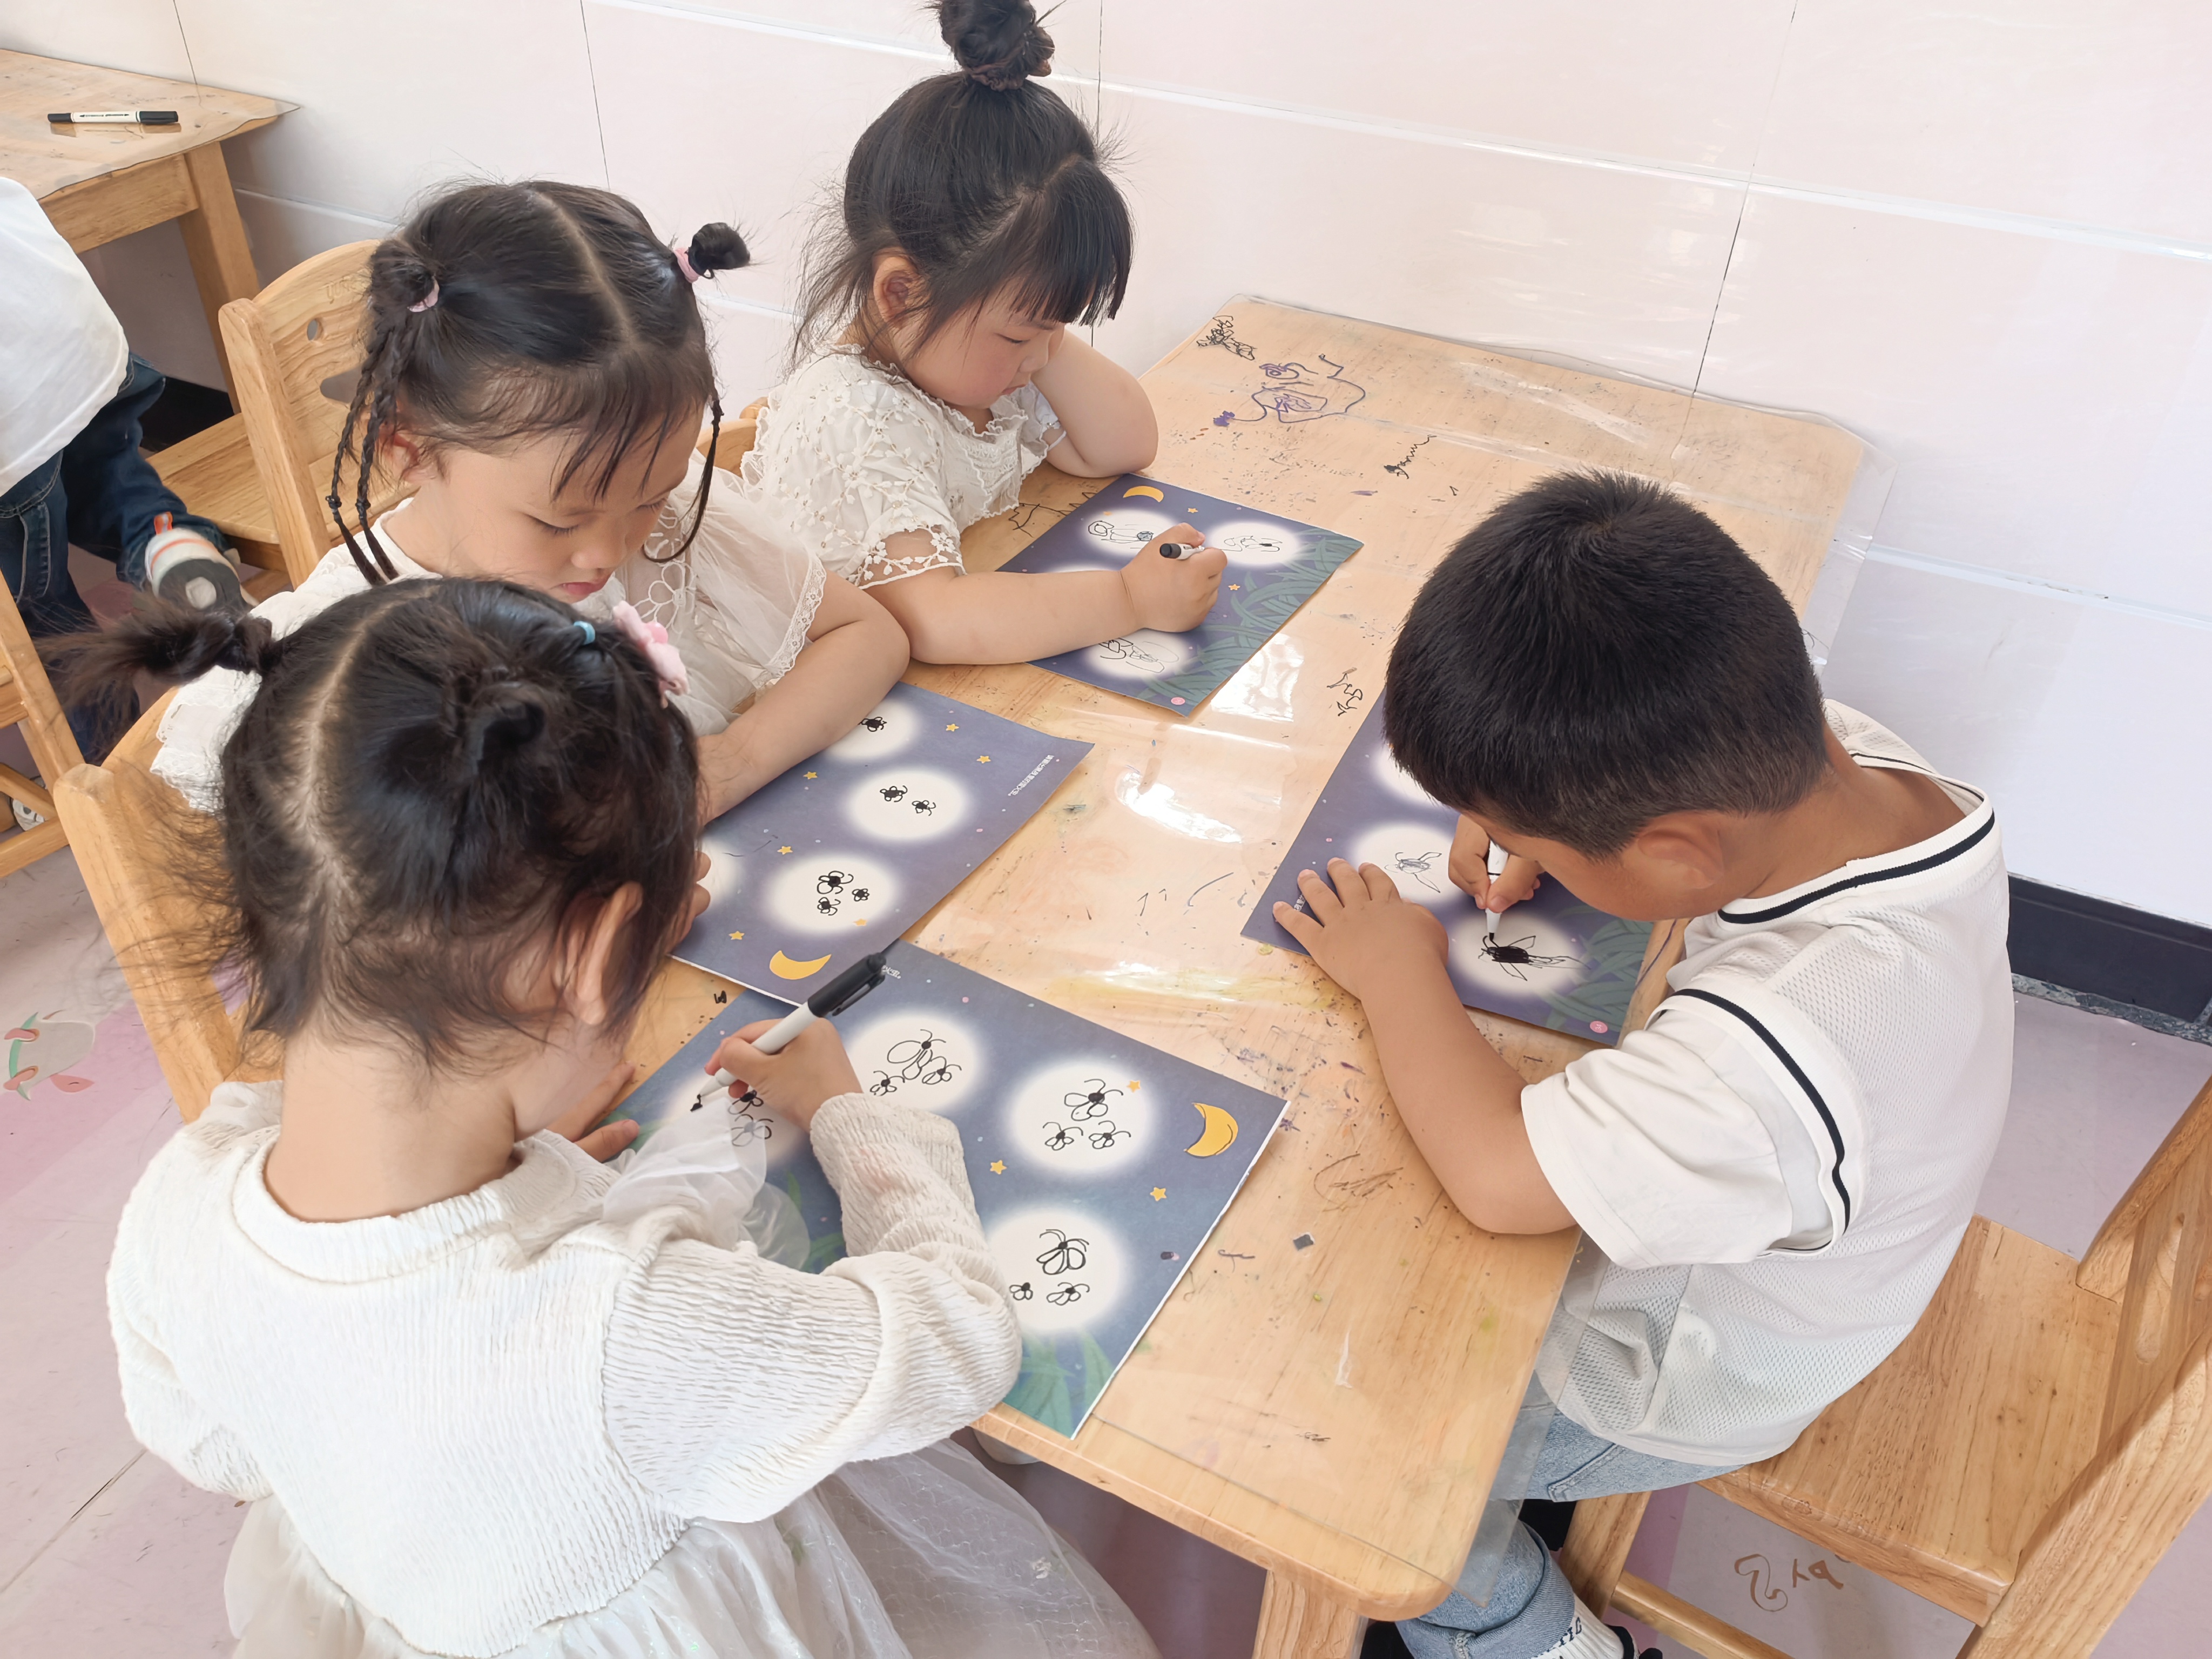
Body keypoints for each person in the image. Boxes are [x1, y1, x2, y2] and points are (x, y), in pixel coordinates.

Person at [66, 579, 1157, 1659]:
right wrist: (848, 1118)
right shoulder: (625, 1332)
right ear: (591, 962)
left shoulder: (182, 1193)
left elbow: (212, 1445)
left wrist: (499, 1211)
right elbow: (957, 1341)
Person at [1274, 473, 2011, 1659]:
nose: (1508, 845)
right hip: (1833, 1251)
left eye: (1536, 836)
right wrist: (1533, 817)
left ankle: (1537, 1637)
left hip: (1670, 1385)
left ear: (1674, 852)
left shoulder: (1770, 1050)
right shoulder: (1856, 766)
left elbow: (1499, 1179)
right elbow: (1658, 816)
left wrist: (1399, 967)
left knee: (1349, 1464)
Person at [151, 179, 907, 819]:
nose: (608, 552)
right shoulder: (340, 660)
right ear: (409, 449)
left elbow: (866, 633)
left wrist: (735, 762)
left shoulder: (653, 515)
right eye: (558, 520)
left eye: (650, 496)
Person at [738, 0, 1225, 665]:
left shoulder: (973, 367)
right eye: (1021, 335)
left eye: (1057, 329)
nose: (1041, 357)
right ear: (902, 295)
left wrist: (1037, 329)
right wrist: (1129, 600)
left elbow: (1122, 445)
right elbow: (936, 621)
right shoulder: (852, 418)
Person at [1, 175, 244, 761]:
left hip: (9, 421)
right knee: (106, 469)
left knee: (40, 623)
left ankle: (113, 775)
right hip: (64, 332)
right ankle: (169, 545)